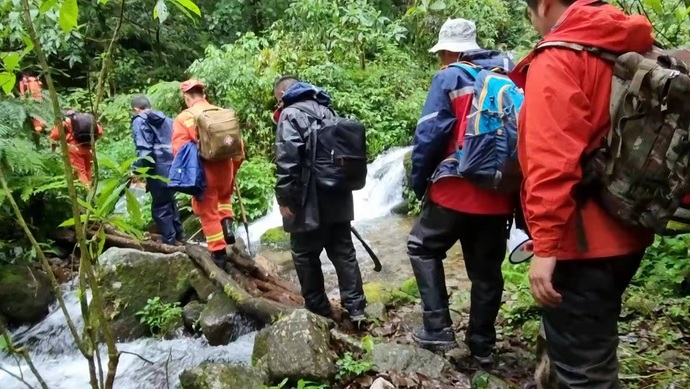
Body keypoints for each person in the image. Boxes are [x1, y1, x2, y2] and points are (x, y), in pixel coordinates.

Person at [512, 0, 655, 386]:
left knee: (587, 373)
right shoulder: (629, 44)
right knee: (584, 346)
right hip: (630, 226)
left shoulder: (559, 58)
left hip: (583, 241)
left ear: (543, 5)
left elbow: (550, 162)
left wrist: (545, 249)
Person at [407, 18, 515, 364]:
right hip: (499, 194)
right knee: (486, 273)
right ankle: (482, 345)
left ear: (450, 51)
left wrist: (418, 182)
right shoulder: (507, 77)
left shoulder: (450, 77)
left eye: (441, 54)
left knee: (421, 247)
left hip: (455, 190)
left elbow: (428, 136)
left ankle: (438, 330)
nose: (440, 60)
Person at [273, 76, 367, 322]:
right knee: (343, 252)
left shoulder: (290, 114)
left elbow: (288, 159)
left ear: (283, 94)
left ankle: (318, 310)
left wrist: (284, 199)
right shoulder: (327, 111)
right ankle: (356, 309)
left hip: (308, 199)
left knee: (305, 255)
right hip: (338, 194)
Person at [171, 79, 243, 267]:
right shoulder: (222, 113)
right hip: (226, 169)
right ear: (204, 95)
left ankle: (218, 254)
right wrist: (234, 169)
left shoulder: (184, 118)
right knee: (224, 197)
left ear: (187, 98)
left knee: (208, 211)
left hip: (204, 172)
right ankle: (227, 223)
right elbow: (238, 146)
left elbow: (179, 151)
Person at [130, 95, 184, 245]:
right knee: (171, 202)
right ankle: (180, 236)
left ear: (135, 109)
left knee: (160, 207)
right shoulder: (168, 120)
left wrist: (137, 170)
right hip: (173, 167)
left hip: (157, 170)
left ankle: (170, 242)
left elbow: (144, 150)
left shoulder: (140, 121)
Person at [50, 109, 103, 186]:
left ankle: (87, 192)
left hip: (75, 149)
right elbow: (100, 132)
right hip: (89, 147)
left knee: (80, 172)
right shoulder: (87, 121)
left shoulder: (66, 122)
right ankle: (91, 188)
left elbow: (54, 135)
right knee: (88, 170)